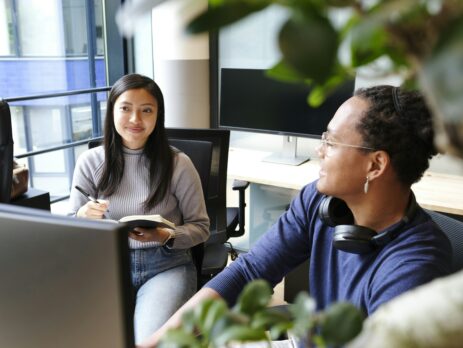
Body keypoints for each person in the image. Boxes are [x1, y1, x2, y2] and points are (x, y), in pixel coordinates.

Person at [137, 85, 453, 348]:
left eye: (331, 142)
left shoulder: (415, 268)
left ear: (375, 165)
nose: (320, 150)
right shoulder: (318, 201)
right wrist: (161, 340)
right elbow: (248, 273)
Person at [68, 73, 210, 343]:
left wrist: (166, 235)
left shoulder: (179, 164)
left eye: (146, 110)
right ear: (112, 112)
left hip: (166, 266)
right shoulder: (89, 162)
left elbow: (202, 227)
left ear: (158, 116)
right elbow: (69, 227)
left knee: (147, 341)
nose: (135, 120)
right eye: (125, 108)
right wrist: (81, 216)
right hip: (106, 266)